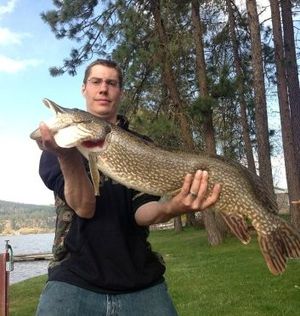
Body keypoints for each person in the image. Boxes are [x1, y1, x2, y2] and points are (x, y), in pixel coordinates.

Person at [35, 59, 222, 316]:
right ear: (84, 89)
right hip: (73, 278)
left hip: (140, 280)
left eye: (111, 83)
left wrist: (171, 207)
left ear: (119, 92)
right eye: (96, 82)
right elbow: (85, 207)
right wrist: (66, 156)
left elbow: (142, 211)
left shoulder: (144, 147)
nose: (103, 89)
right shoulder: (57, 148)